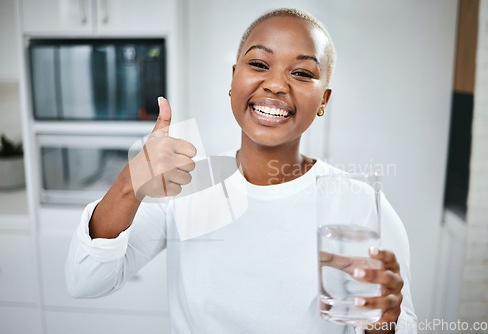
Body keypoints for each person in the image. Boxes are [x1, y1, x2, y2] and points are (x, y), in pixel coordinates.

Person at [66, 8, 417, 334]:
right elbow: (85, 281)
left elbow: (398, 324)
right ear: (234, 79)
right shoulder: (187, 183)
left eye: (301, 72)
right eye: (260, 64)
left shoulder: (362, 205)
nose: (277, 84)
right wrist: (132, 182)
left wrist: (382, 325)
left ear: (323, 99)